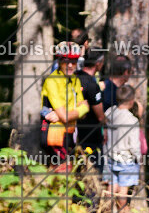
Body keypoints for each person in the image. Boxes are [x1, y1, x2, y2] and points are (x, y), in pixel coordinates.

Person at [42, 41, 89, 170]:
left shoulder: (74, 79)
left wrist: (80, 110)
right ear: (59, 61)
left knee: (65, 172)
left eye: (73, 62)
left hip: (70, 132)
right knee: (63, 172)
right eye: (65, 61)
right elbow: (66, 116)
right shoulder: (53, 81)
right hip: (55, 134)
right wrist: (80, 110)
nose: (69, 65)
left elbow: (84, 110)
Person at [104, 84, 142, 213]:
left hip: (110, 156)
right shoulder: (132, 120)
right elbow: (134, 144)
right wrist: (139, 157)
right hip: (126, 159)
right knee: (123, 190)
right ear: (132, 101)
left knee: (111, 187)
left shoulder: (110, 113)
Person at [75, 49, 106, 167]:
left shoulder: (75, 77)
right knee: (93, 172)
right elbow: (100, 116)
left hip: (74, 133)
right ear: (98, 63)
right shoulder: (92, 85)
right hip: (90, 137)